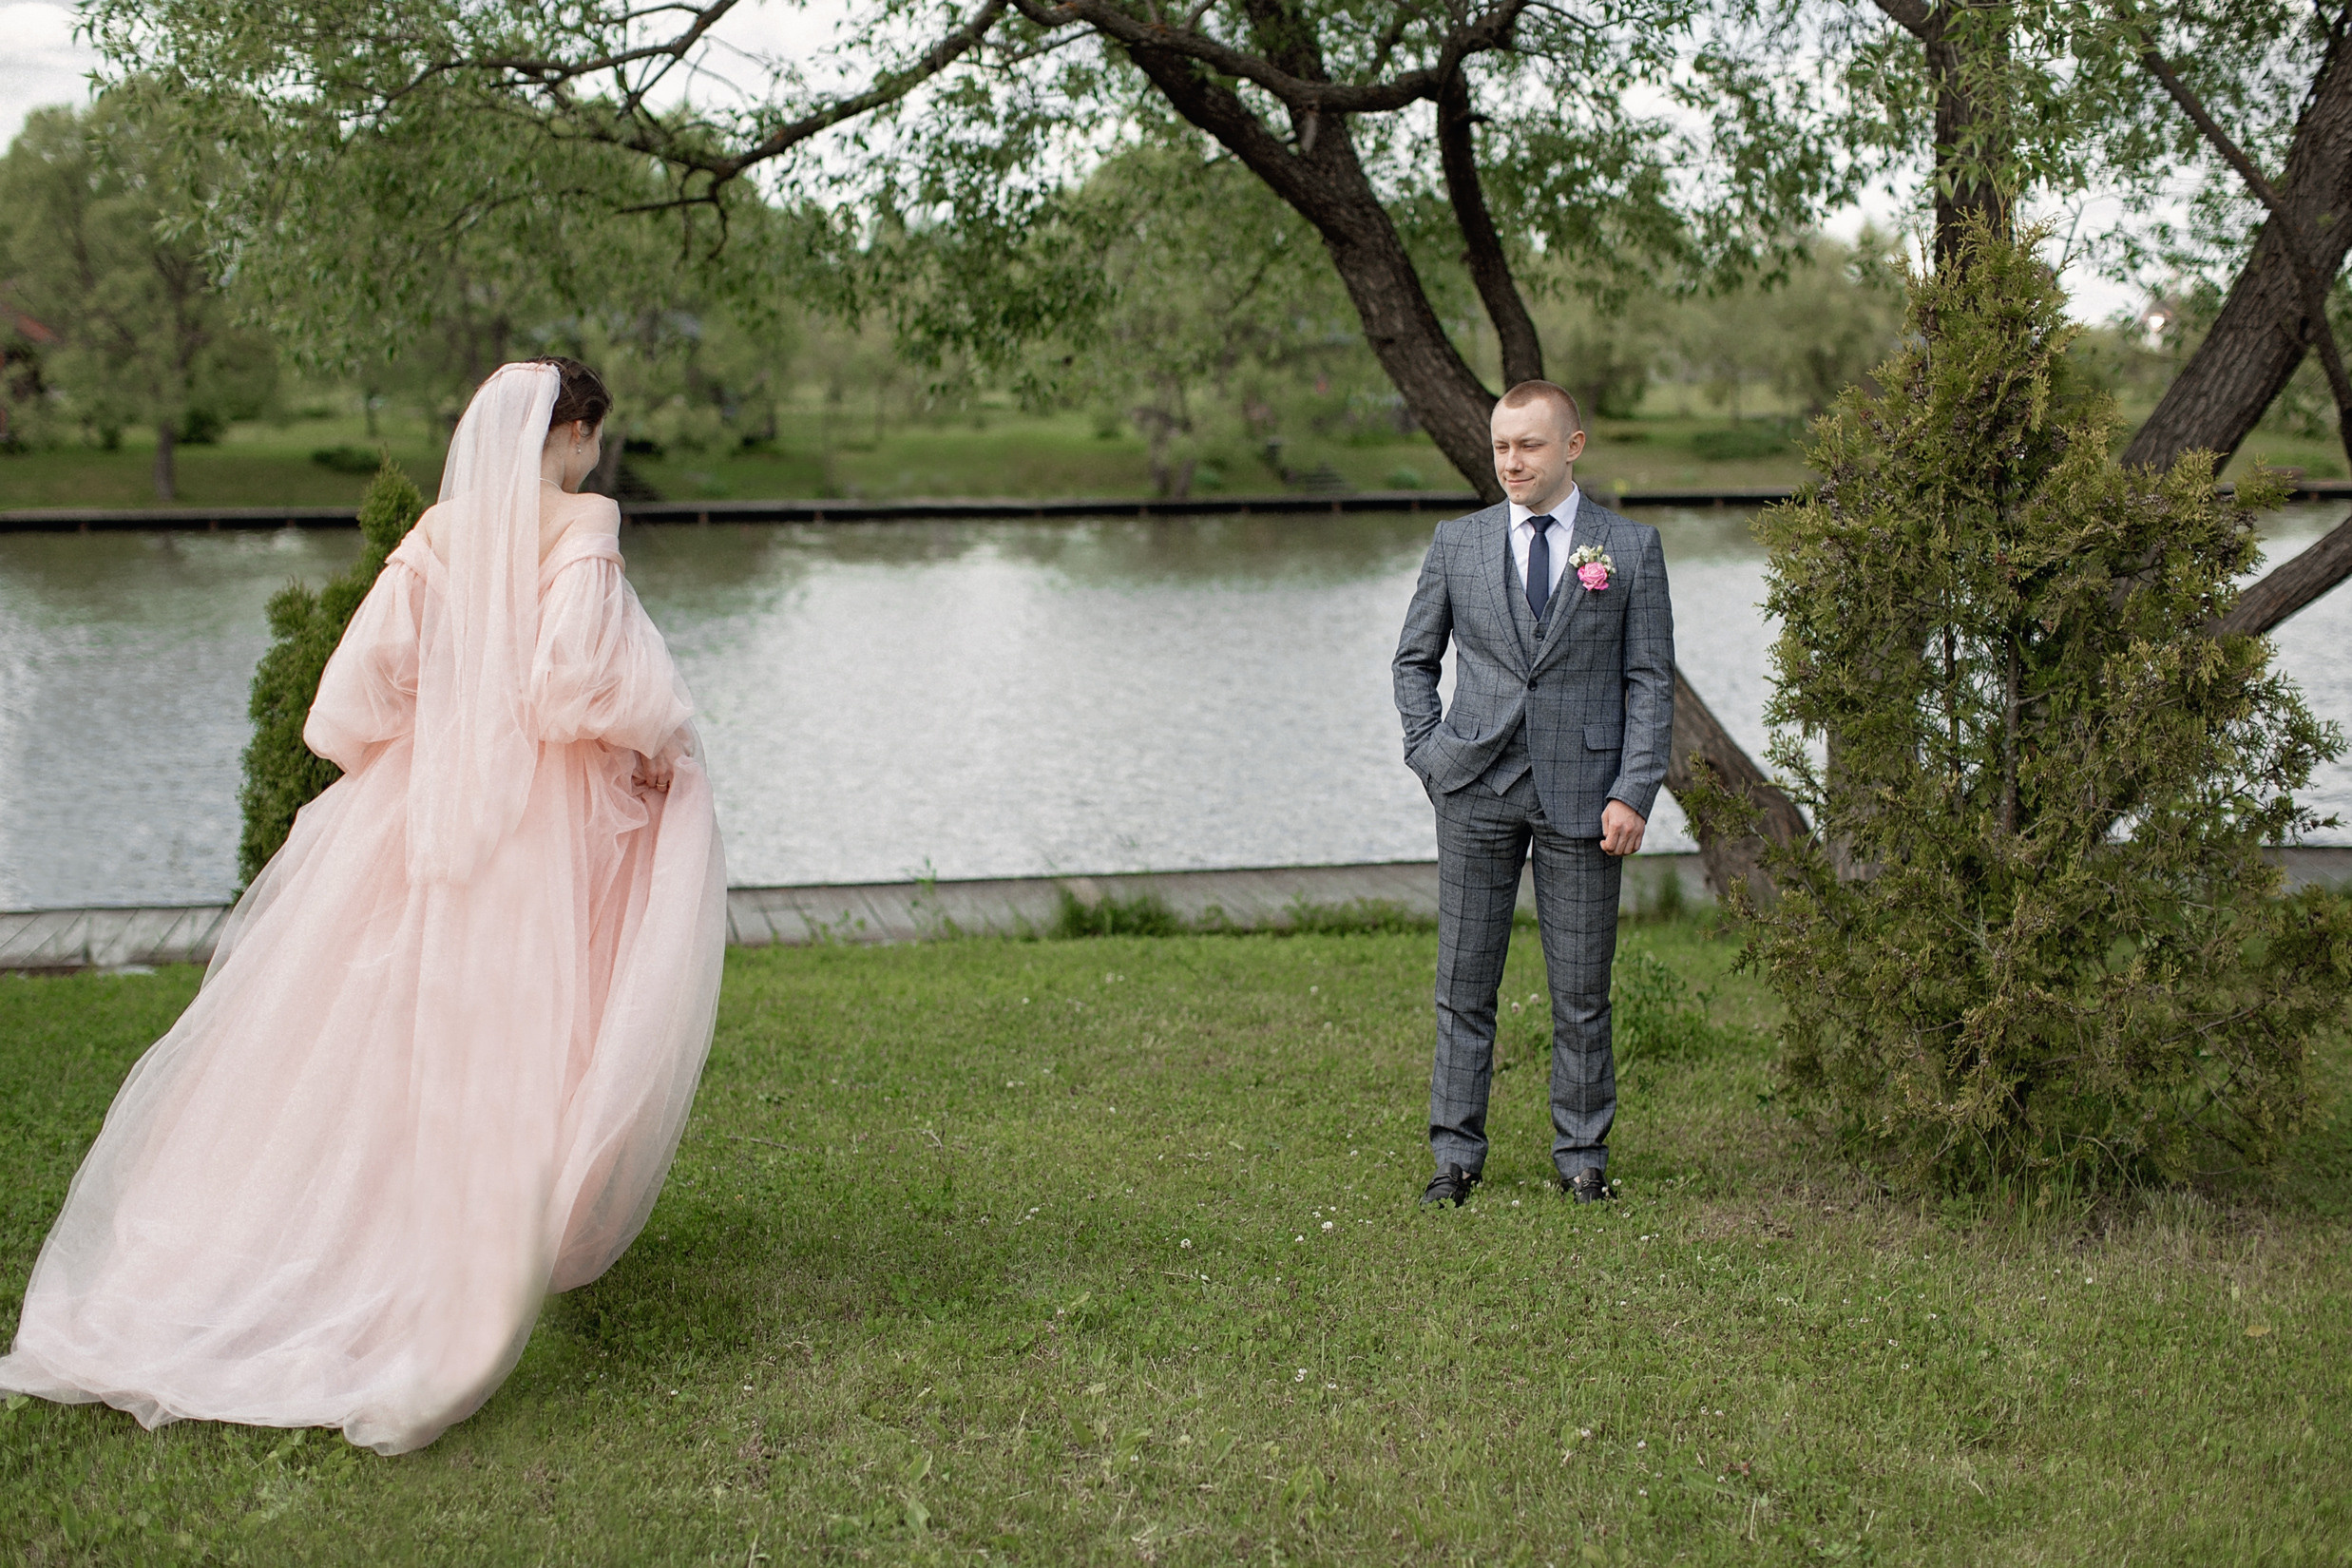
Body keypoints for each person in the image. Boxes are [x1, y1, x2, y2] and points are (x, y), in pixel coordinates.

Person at [0, 359, 727, 1453]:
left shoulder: (437, 533)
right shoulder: (582, 519)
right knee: (524, 1024)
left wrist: (412, 755)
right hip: (540, 815)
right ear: (569, 432)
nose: (592, 455)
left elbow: (351, 698)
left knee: (386, 1027)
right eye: (590, 435)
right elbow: (575, 676)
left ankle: (354, 1232)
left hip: (428, 804)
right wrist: (660, 736)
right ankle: (464, 1257)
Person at [1392, 380, 1674, 1206]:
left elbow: (1648, 681)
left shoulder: (1630, 548)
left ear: (1572, 446)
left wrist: (1633, 789)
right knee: (1462, 983)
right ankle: (1455, 1157)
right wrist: (1427, 751)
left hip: (1585, 797)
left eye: (1530, 445)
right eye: (1501, 447)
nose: (1512, 462)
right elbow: (1414, 660)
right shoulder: (1457, 543)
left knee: (1582, 990)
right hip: (1474, 788)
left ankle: (1582, 1158)